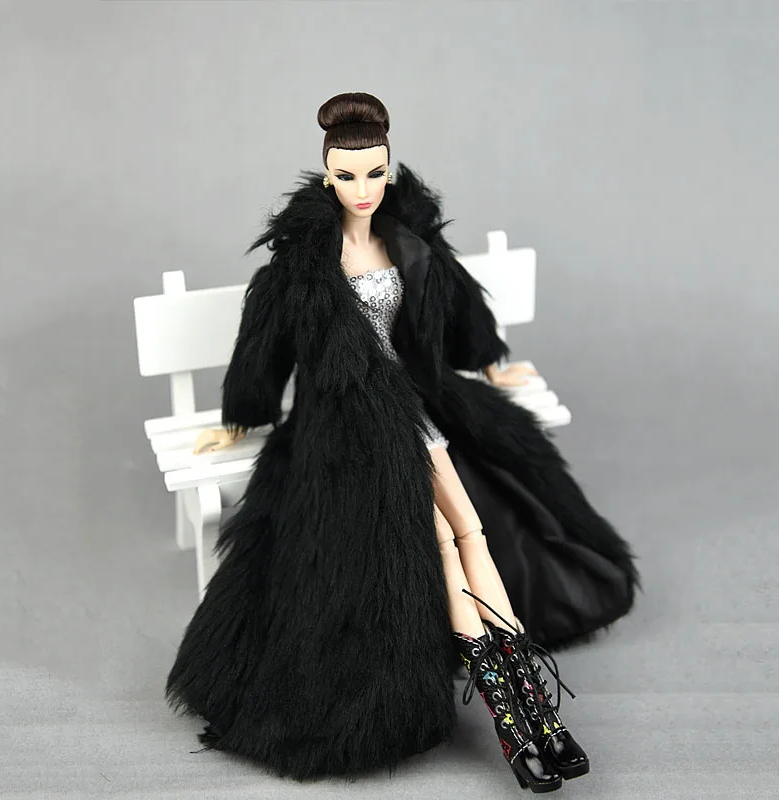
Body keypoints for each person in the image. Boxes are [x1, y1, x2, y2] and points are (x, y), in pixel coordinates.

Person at [165, 92, 640, 790]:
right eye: (347, 175)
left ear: (388, 169)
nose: (363, 189)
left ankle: (540, 713)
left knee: (472, 532)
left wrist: (490, 361)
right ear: (328, 174)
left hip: (418, 407)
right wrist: (239, 415)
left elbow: (457, 302)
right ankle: (516, 728)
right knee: (443, 544)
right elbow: (263, 346)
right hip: (349, 428)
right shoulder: (303, 265)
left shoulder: (408, 237)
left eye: (374, 173)